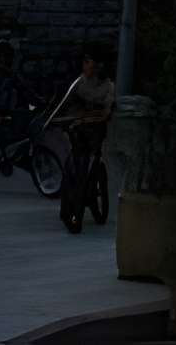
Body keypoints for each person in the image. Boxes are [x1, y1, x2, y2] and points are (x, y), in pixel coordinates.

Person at [52, 45, 115, 232]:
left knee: (90, 162)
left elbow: (107, 111)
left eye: (88, 62)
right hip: (77, 131)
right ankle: (67, 207)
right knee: (71, 164)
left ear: (98, 66)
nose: (84, 65)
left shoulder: (108, 86)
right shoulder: (79, 83)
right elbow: (64, 104)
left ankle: (84, 194)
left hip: (94, 133)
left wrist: (97, 115)